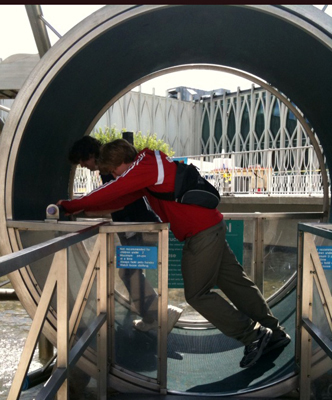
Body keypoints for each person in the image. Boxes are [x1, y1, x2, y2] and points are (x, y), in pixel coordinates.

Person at [59, 138, 291, 368]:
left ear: (121, 160)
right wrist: (82, 208)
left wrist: (69, 205)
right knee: (237, 285)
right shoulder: (149, 163)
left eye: (114, 170)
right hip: (211, 227)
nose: (115, 175)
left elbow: (113, 190)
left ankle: (254, 335)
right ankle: (276, 333)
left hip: (201, 233)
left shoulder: (144, 167)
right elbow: (122, 198)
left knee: (197, 294)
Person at [68, 136, 183, 333]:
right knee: (132, 272)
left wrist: (83, 209)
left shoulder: (109, 169)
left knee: (129, 273)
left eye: (82, 159)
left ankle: (157, 316)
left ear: (91, 154)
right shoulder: (113, 169)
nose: (81, 165)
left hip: (135, 227)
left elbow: (118, 200)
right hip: (139, 225)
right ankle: (157, 312)